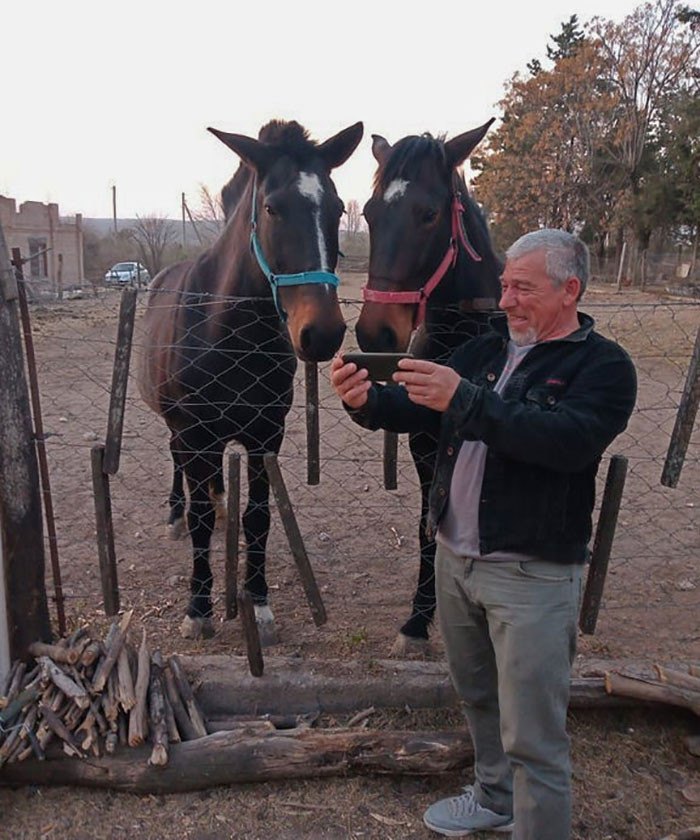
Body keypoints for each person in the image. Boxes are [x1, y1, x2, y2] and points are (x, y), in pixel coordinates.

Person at [331, 229, 637, 840]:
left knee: (534, 735)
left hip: (532, 574)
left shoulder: (603, 367)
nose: (506, 302)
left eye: (522, 288)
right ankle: (496, 800)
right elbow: (415, 408)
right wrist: (362, 402)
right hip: (455, 561)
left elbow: (564, 443)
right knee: (478, 698)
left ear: (569, 289)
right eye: (503, 286)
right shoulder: (484, 352)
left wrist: (464, 400)